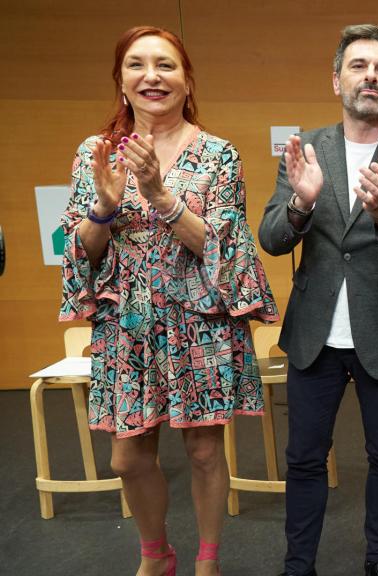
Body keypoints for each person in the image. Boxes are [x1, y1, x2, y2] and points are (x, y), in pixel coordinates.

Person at [59, 25, 278, 576]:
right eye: (137, 65)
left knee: (204, 452)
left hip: (196, 322)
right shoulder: (95, 152)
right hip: (127, 325)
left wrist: (159, 194)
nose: (151, 76)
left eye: (166, 65)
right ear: (122, 80)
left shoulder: (219, 156)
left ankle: (207, 560)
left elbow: (222, 247)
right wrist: (103, 210)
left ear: (186, 79)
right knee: (127, 457)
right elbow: (81, 250)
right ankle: (156, 554)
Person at [257, 24, 378, 576]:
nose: (371, 77)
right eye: (359, 66)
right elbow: (271, 238)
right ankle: (298, 565)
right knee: (304, 459)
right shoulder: (304, 150)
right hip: (315, 335)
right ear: (336, 78)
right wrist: (301, 203)